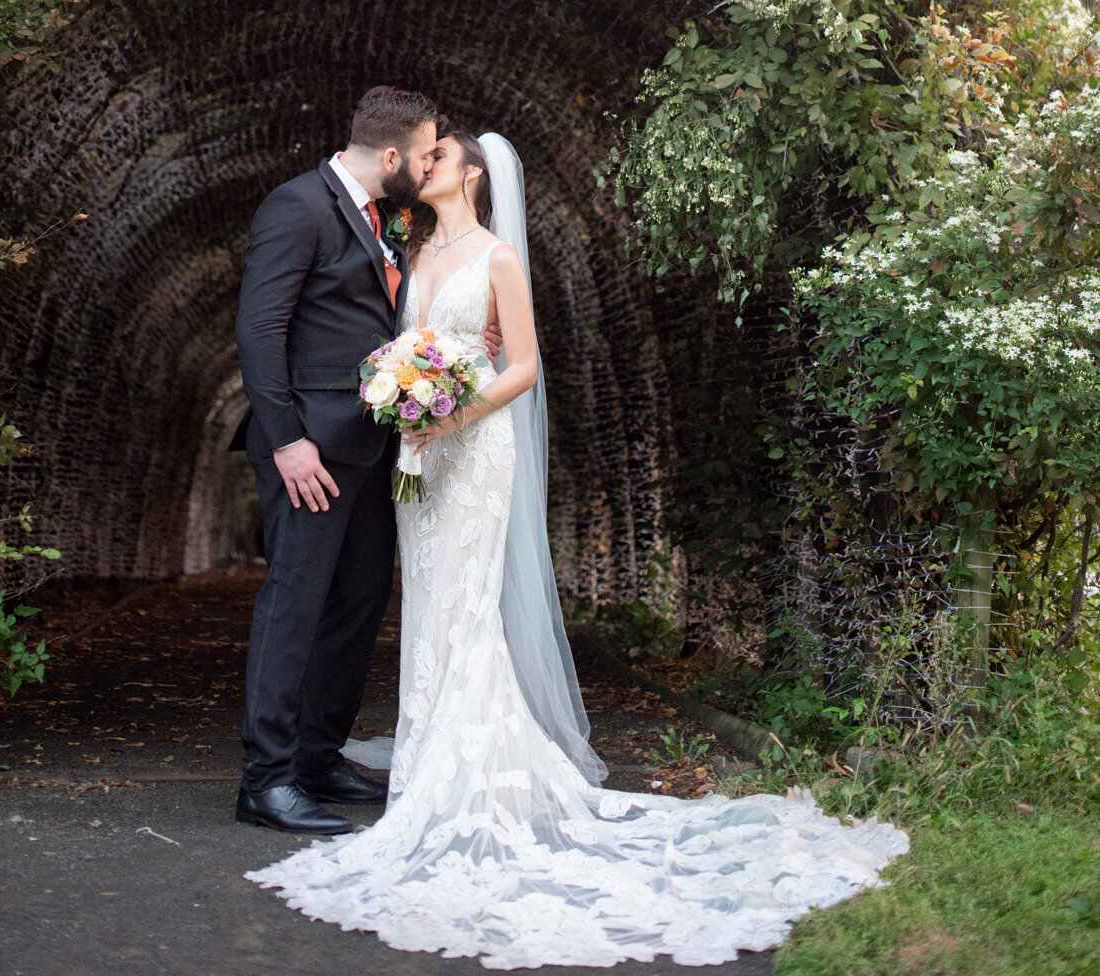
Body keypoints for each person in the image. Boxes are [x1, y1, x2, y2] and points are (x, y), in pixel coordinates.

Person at [247, 130, 909, 968]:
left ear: (474, 176)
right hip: (419, 457)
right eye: (424, 156)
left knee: (465, 601)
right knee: (420, 600)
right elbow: (391, 345)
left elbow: (521, 366)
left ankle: (465, 770)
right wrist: (405, 395)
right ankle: (421, 758)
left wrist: (447, 413)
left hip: (468, 449)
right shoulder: (408, 251)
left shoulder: (499, 259)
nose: (425, 167)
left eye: (440, 157)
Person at [232, 85, 439, 836]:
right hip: (308, 448)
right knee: (295, 606)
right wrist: (287, 440)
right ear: (390, 156)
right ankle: (265, 780)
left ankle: (318, 756)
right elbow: (260, 329)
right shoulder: (298, 205)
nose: (426, 165)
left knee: (356, 604)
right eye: (421, 155)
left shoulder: (379, 218)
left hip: (368, 444)